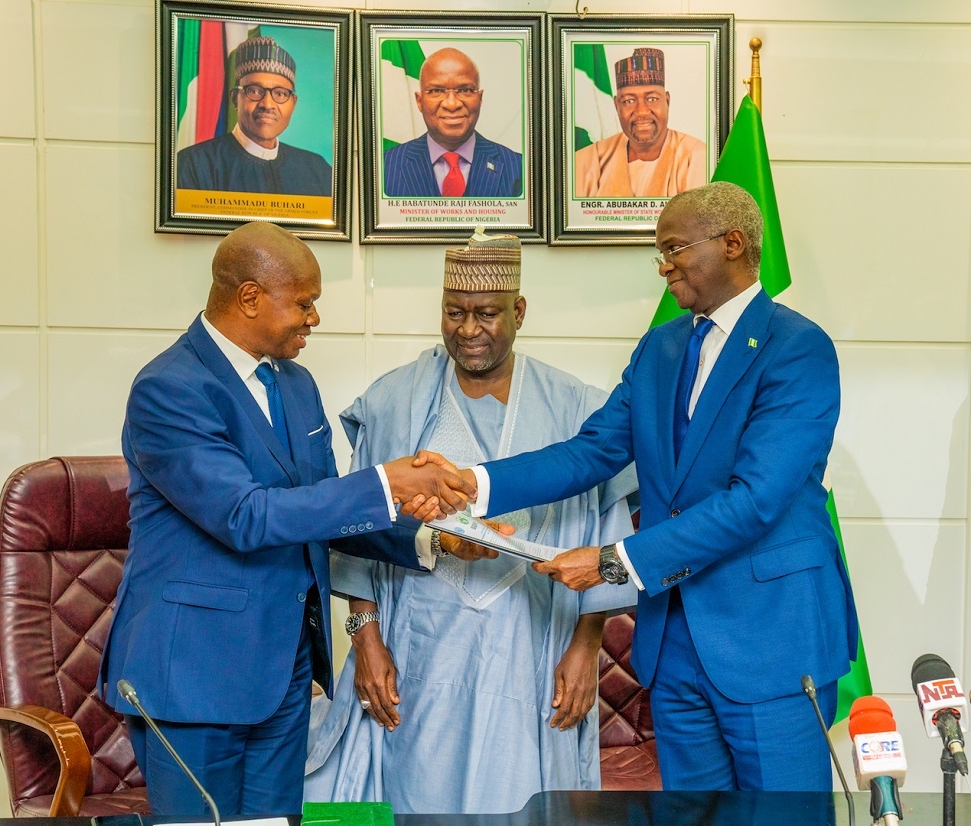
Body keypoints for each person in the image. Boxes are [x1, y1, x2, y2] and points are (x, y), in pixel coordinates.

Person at [437, 183, 858, 791]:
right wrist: (471, 484)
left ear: (733, 243)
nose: (663, 266)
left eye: (674, 249)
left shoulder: (797, 349)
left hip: (770, 637)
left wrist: (612, 562)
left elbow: (756, 499)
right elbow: (594, 450)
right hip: (676, 642)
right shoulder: (661, 347)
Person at [99, 221, 473, 816]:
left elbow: (318, 508)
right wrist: (386, 482)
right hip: (194, 674)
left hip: (284, 671)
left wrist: (436, 540)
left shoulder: (295, 385)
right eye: (304, 303)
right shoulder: (169, 389)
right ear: (250, 298)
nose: (314, 319)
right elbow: (245, 515)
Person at [306, 229, 636, 814]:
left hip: (533, 649)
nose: (468, 329)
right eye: (453, 313)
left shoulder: (578, 408)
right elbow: (356, 533)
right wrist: (367, 639)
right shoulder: (394, 401)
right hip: (419, 652)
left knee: (525, 797)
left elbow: (606, 538)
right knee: (417, 791)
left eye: (486, 313)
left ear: (520, 311)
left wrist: (587, 649)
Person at [176, 36, 332, 196]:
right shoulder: (193, 164)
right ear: (235, 98)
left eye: (280, 93)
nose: (267, 104)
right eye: (255, 91)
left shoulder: (318, 170)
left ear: (293, 103)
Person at [383, 48, 522, 198]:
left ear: (480, 98)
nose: (452, 104)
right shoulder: (384, 166)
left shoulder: (519, 168)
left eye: (465, 90)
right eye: (437, 90)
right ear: (419, 101)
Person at [575, 48, 707, 198]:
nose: (641, 111)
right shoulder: (587, 161)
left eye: (652, 99)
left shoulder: (696, 156)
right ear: (616, 105)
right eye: (629, 101)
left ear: (667, 101)